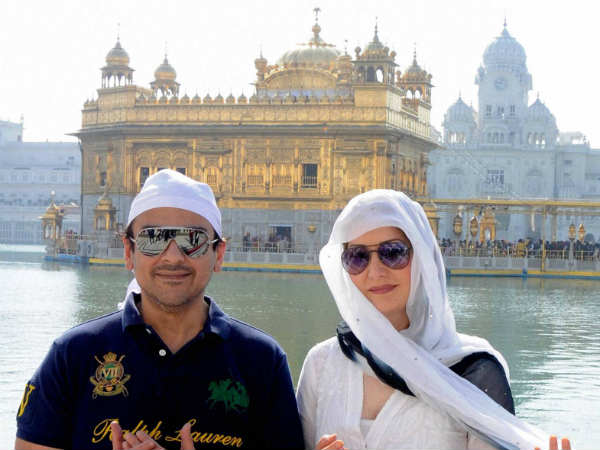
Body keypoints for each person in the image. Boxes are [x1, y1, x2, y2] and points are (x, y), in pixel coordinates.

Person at [16, 169, 304, 450]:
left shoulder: (261, 360)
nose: (173, 257)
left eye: (192, 240)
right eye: (153, 238)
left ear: (218, 254)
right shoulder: (73, 355)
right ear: (129, 252)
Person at [296, 189, 571, 450]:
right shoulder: (322, 365)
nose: (375, 271)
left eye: (393, 253)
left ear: (422, 258)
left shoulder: (471, 371)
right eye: (358, 257)